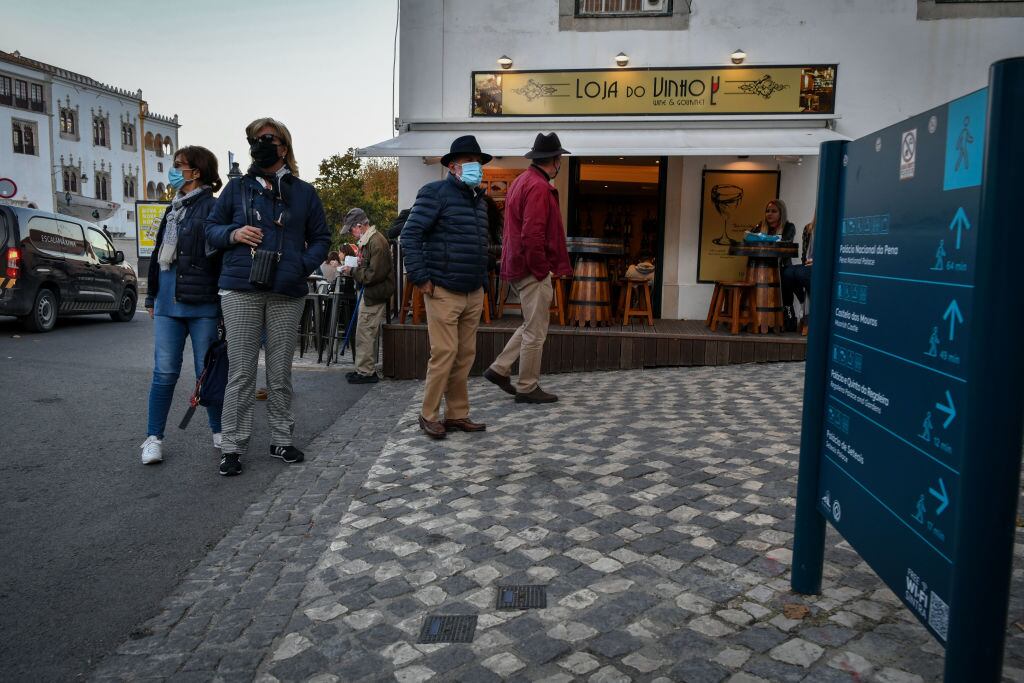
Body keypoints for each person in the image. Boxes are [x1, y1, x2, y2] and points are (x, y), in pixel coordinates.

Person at [205, 117, 331, 476]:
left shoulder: (303, 192)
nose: (260, 144)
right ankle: (232, 445)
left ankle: (281, 438)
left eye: (268, 138)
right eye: (254, 139)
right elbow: (211, 229)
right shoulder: (236, 189)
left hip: (286, 290)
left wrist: (298, 265)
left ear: (284, 147)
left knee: (280, 371)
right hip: (241, 287)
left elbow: (321, 238)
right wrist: (234, 234)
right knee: (241, 371)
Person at [401, 135, 491, 439]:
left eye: (478, 162)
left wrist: (483, 280)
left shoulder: (479, 201)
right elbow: (410, 235)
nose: (475, 167)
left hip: (472, 289)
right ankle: (428, 414)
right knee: (445, 352)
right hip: (443, 288)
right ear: (453, 166)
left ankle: (457, 414)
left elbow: (479, 243)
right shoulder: (435, 192)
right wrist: (420, 277)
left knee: (465, 354)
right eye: (469, 162)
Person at [140, 146, 223, 465]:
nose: (173, 171)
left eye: (179, 166)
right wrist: (151, 296)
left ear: (196, 172)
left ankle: (219, 431)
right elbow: (158, 252)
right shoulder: (172, 209)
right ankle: (153, 438)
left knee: (207, 373)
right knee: (164, 373)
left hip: (202, 303)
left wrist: (221, 301)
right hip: (166, 303)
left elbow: (218, 257)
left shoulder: (213, 208)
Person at [484, 132, 572, 404]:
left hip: (518, 264)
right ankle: (527, 387)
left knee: (531, 324)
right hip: (531, 268)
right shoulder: (539, 187)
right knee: (536, 330)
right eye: (559, 159)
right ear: (555, 160)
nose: (560, 163)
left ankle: (499, 368)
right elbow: (533, 235)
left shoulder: (523, 181)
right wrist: (542, 269)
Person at [340, 207, 395, 384]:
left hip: (374, 293)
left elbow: (373, 275)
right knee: (364, 331)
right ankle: (363, 369)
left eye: (351, 230)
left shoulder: (376, 241)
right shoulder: (372, 240)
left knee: (365, 332)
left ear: (359, 225)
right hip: (373, 292)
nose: (351, 234)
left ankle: (366, 372)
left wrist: (352, 271)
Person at [781, 219, 813, 331]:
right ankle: (803, 304)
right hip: (809, 265)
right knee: (787, 272)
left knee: (801, 273)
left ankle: (813, 309)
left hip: (824, 266)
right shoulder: (809, 228)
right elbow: (804, 256)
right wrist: (807, 261)